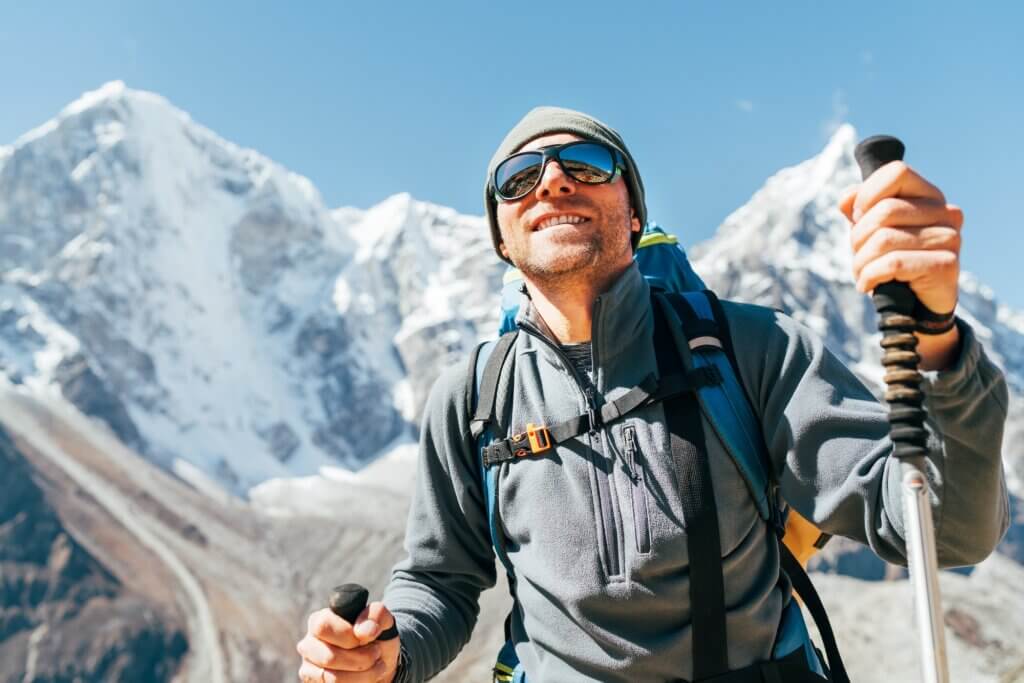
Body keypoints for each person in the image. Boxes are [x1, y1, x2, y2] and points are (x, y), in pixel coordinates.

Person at [295, 107, 1010, 682]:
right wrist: (389, 655)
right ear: (502, 241)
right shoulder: (474, 398)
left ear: (634, 214)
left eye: (587, 164)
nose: (551, 181)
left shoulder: (750, 348)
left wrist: (938, 337)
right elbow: (440, 580)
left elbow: (944, 525)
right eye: (518, 177)